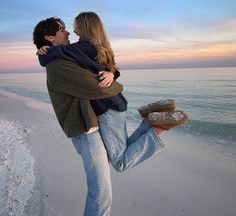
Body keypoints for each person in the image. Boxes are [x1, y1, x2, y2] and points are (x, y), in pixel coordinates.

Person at [33, 14, 185, 216]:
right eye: (62, 30)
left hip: (92, 124)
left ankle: (155, 126)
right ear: (50, 38)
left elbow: (98, 69)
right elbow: (96, 87)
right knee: (102, 190)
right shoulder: (57, 64)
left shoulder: (63, 56)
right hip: (85, 130)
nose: (68, 32)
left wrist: (112, 74)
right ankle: (154, 126)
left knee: (112, 173)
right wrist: (118, 84)